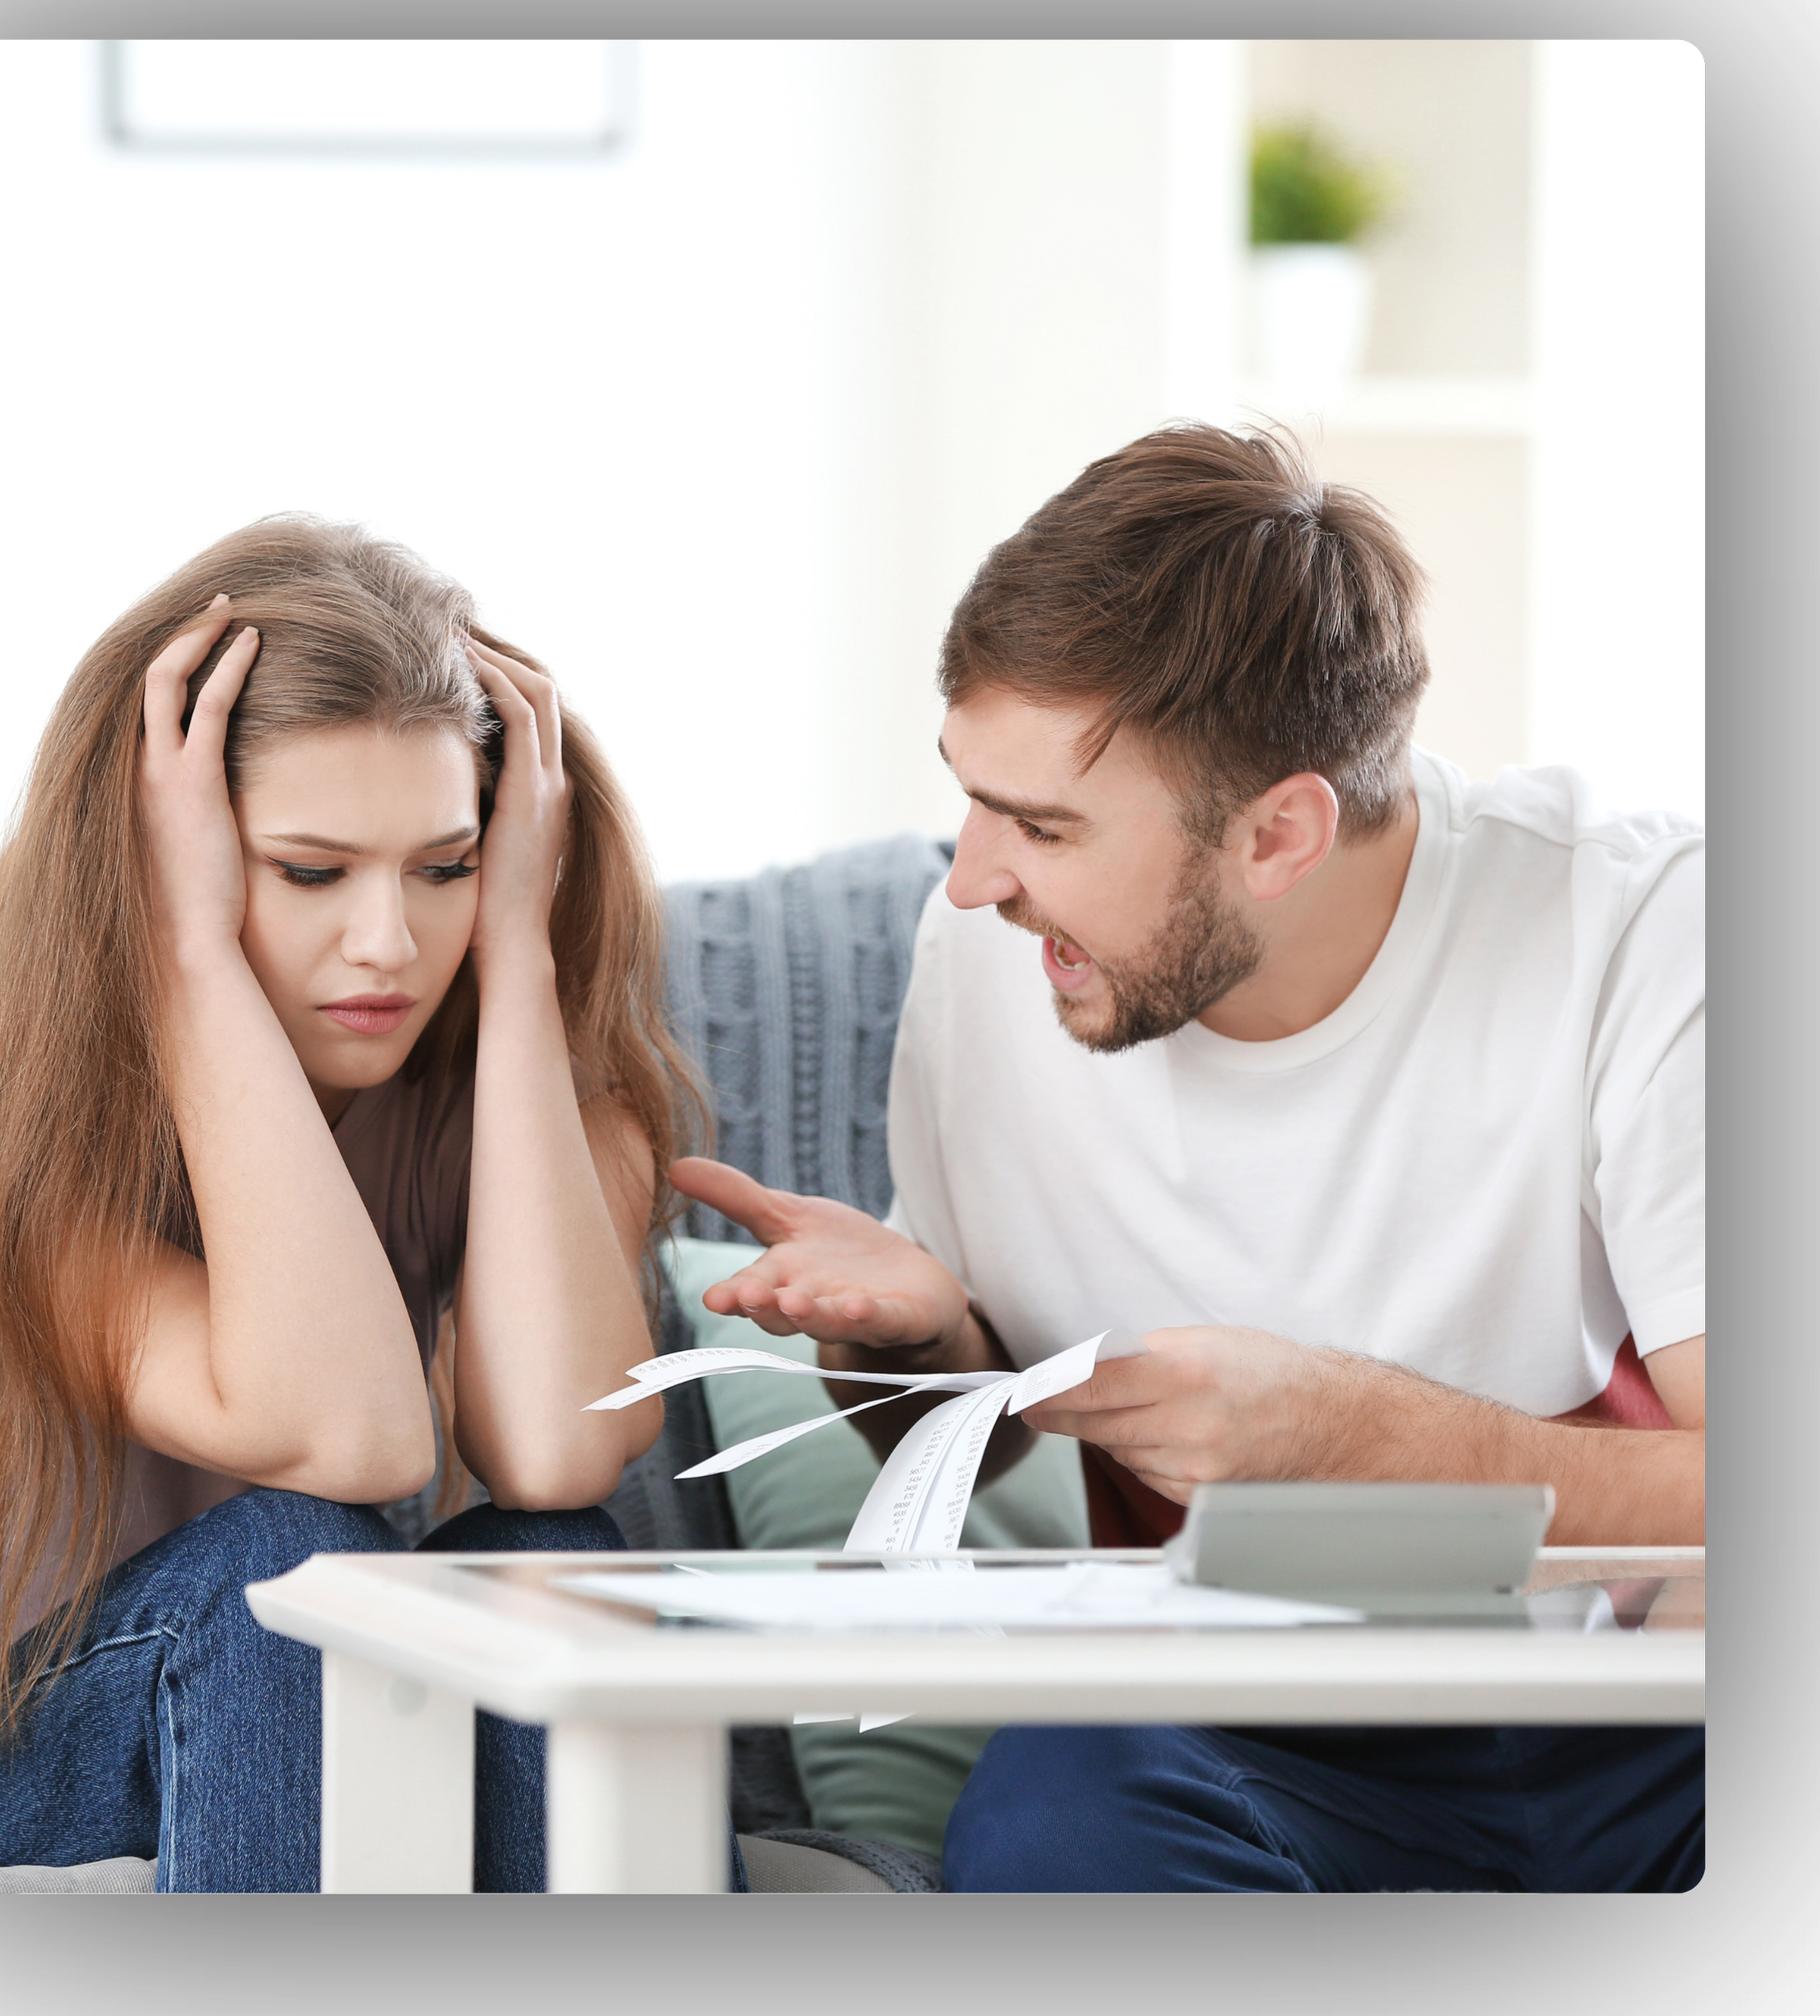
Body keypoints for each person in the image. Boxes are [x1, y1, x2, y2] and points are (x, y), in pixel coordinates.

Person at [672, 422, 1703, 1894]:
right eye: (969, 794)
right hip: (1228, 1736)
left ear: (1281, 832)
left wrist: (1365, 1441)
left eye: (1041, 823)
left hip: (1641, 1720)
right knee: (1055, 1814)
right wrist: (921, 1344)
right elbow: (983, 1436)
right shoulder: (989, 950)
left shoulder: (1640, 930)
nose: (972, 875)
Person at [0, 516, 699, 1893]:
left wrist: (526, 961)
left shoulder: (524, 1108)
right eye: (310, 873)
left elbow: (555, 1458)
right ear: (155, 851)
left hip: (283, 1718)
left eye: (446, 867)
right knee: (291, 1564)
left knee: (556, 1562)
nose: (389, 945)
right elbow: (339, 1434)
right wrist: (191, 956)